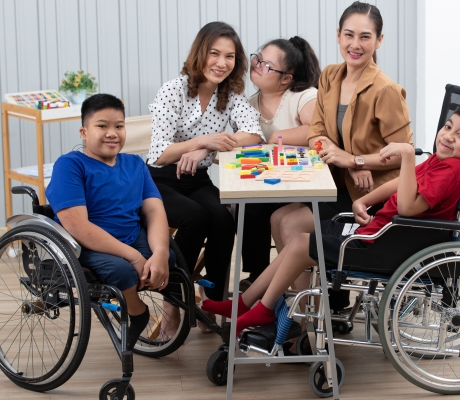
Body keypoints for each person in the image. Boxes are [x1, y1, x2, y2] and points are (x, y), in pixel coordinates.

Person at [201, 103, 460, 334]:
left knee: (302, 243)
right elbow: (408, 182)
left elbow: (407, 206)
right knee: (300, 241)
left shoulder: (451, 170)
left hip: (385, 245)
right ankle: (245, 303)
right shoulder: (442, 162)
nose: (448, 136)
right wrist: (365, 199)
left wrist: (406, 155)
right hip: (378, 232)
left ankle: (261, 308)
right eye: (448, 126)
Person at [270, 1, 414, 303]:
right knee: (277, 218)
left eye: (365, 37)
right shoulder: (331, 76)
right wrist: (346, 161)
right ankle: (310, 304)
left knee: (289, 223)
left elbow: (404, 153)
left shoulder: (385, 90)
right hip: (340, 182)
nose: (355, 44)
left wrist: (357, 160)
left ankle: (309, 311)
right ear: (338, 36)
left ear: (379, 40)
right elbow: (317, 134)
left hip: (372, 194)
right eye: (349, 35)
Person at [146, 22, 264, 330]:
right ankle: (172, 301)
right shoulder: (173, 90)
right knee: (196, 218)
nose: (222, 63)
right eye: (215, 53)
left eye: (230, 56)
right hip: (159, 179)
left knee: (224, 219)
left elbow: (254, 135)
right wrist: (205, 141)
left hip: (196, 180)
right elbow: (159, 154)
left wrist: (206, 148)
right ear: (201, 53)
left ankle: (210, 299)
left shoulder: (231, 95)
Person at [47, 93, 175, 349]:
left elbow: (154, 211)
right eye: (102, 126)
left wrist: (159, 252)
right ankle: (137, 312)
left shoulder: (134, 163)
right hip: (84, 243)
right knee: (122, 270)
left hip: (128, 233)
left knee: (168, 257)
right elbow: (77, 226)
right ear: (84, 132)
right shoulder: (71, 165)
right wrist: (135, 257)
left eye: (119, 126)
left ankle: (145, 292)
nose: (112, 133)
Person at [240, 36, 321, 289]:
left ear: (286, 78)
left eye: (266, 64)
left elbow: (316, 130)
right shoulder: (249, 105)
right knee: (246, 210)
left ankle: (282, 285)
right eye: (258, 58)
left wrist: (277, 137)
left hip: (301, 186)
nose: (257, 64)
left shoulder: (302, 97)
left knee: (272, 214)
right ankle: (259, 276)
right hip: (269, 183)